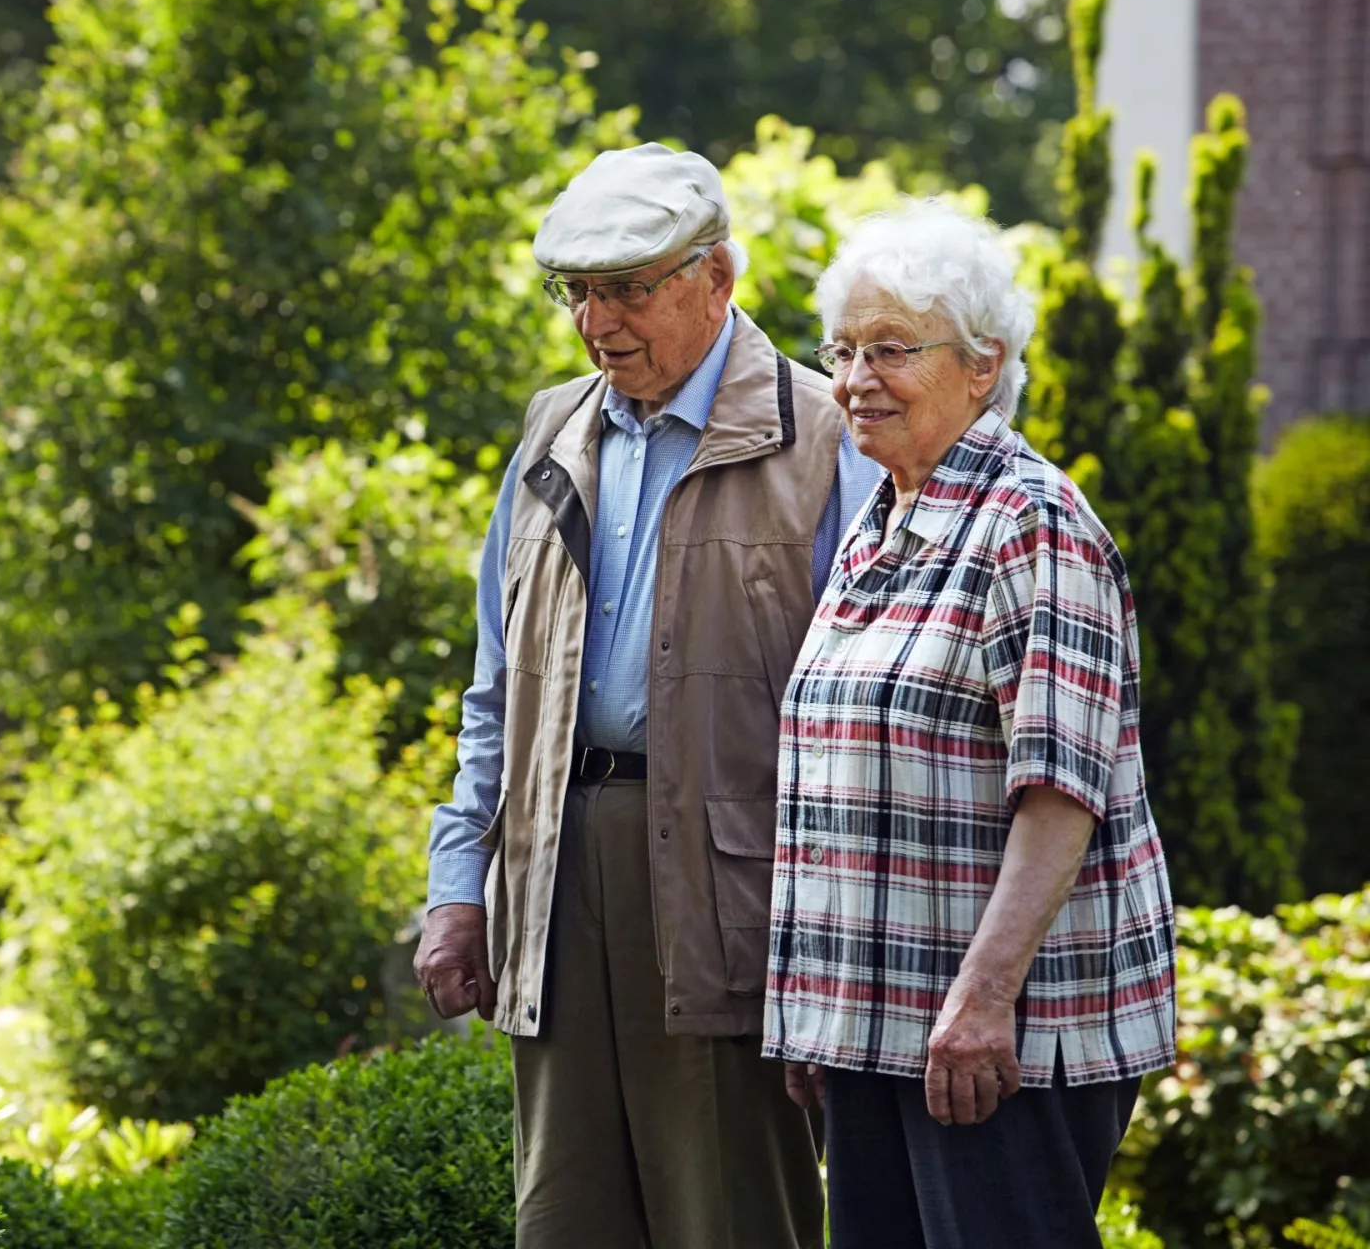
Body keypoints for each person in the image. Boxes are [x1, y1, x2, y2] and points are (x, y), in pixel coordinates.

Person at [413, 142, 877, 1249]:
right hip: (558, 872)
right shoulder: (550, 433)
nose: (595, 320)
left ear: (717, 279)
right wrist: (456, 883)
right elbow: (496, 690)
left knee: (732, 1221)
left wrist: (829, 962)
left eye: (626, 289)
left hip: (736, 894)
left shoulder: (824, 439)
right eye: (577, 291)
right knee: (564, 1219)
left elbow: (865, 723)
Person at [764, 200, 1178, 1249]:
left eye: (893, 349)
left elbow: (1061, 791)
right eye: (845, 349)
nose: (857, 378)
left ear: (982, 365)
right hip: (878, 1026)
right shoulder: (879, 523)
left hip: (999, 1038)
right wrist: (819, 1010)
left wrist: (985, 998)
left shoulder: (1031, 522)